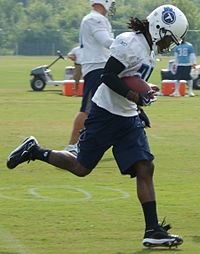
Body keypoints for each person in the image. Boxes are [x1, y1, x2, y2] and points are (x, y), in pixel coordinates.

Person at [7, 4, 188, 248]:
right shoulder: (130, 43)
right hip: (104, 114)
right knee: (81, 167)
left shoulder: (148, 49)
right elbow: (108, 76)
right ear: (158, 28)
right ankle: (35, 150)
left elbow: (131, 80)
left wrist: (141, 102)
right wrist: (135, 97)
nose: (169, 44)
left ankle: (152, 230)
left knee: (145, 166)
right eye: (168, 38)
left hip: (127, 118)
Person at [65, 0, 116, 153]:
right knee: (87, 109)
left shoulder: (92, 19)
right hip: (97, 68)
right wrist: (128, 45)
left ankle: (111, 141)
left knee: (109, 107)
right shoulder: (95, 19)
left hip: (100, 66)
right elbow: (106, 41)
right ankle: (72, 146)